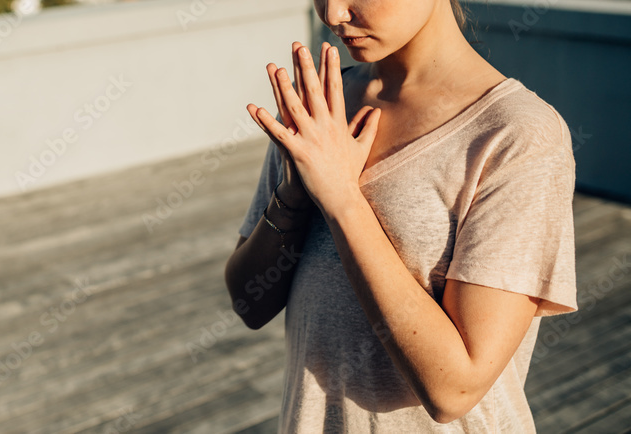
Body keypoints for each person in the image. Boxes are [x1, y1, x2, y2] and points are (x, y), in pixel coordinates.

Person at [223, 0, 578, 432]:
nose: (333, 13)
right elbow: (249, 303)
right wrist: (294, 196)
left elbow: (455, 391)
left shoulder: (515, 136)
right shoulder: (318, 111)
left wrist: (340, 198)